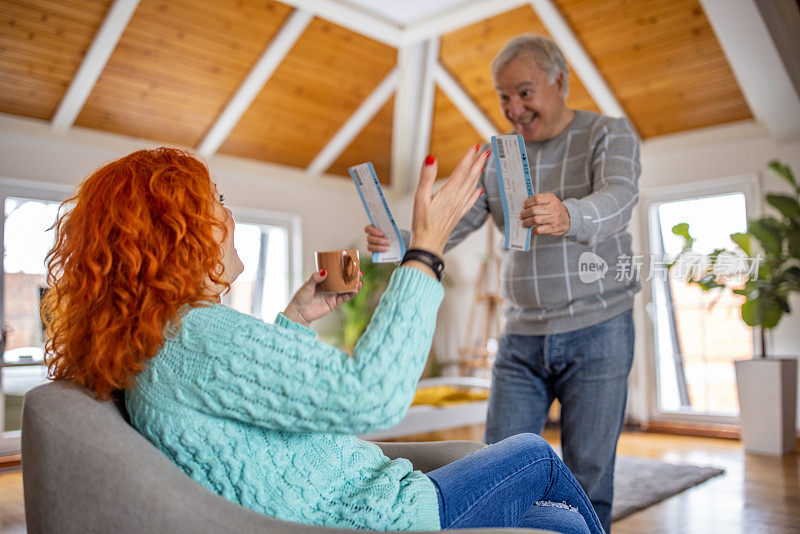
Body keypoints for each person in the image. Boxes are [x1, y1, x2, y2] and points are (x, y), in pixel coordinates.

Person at [42, 146, 604, 534]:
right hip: (375, 515)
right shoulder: (198, 333)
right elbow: (374, 394)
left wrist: (294, 319)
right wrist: (426, 251)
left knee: (565, 524)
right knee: (534, 452)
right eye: (216, 201)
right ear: (178, 233)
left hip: (348, 498)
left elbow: (242, 416)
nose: (229, 214)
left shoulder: (165, 341)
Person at [365, 34, 640, 533]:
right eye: (504, 97)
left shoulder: (608, 134)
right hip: (521, 338)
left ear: (560, 82)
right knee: (493, 467)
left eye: (525, 93)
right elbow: (453, 223)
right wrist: (397, 242)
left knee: (589, 477)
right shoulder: (500, 159)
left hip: (599, 330)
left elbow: (620, 199)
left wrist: (569, 214)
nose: (513, 108)